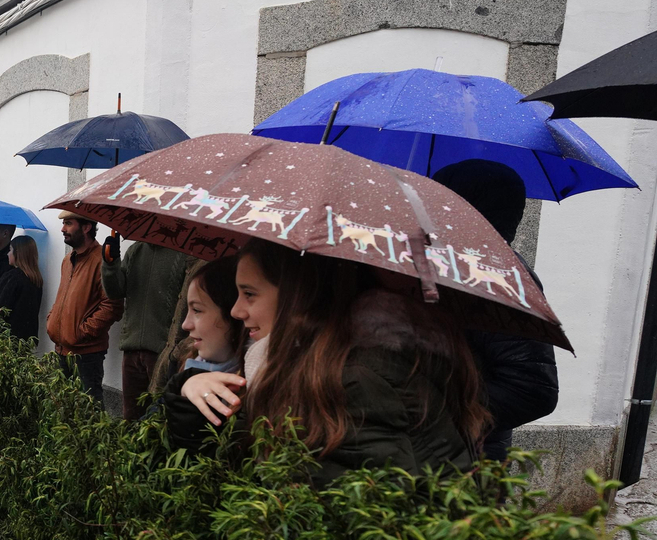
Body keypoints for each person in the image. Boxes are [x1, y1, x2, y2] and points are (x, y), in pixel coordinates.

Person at [168, 239, 486, 484]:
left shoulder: (353, 381)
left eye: (249, 294)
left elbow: (353, 526)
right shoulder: (310, 368)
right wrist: (188, 387)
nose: (236, 311)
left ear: (300, 295)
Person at [431, 159, 559, 461]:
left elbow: (533, 389)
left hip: (465, 463)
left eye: (437, 197)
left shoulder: (499, 279)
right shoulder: (450, 266)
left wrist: (432, 413)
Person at [100, 237, 191, 420]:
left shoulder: (184, 254)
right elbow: (116, 291)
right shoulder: (135, 250)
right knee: (131, 418)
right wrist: (110, 265)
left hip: (163, 352)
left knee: (158, 419)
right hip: (132, 350)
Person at [45, 211, 121, 405]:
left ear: (86, 227)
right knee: (65, 410)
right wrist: (52, 321)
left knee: (89, 411)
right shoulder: (67, 260)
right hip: (62, 350)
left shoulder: (101, 260)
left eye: (69, 223)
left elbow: (112, 305)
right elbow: (62, 299)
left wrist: (81, 333)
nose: (63, 229)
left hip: (86, 354)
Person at [176, 257, 244, 374]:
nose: (185, 325)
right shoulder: (189, 368)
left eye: (197, 310)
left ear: (233, 314)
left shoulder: (258, 385)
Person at [0, 235, 43, 343]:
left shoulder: (12, 277)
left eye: (10, 250)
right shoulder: (36, 279)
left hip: (8, 339)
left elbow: (0, 308)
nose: (8, 254)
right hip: (27, 340)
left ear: (18, 253)